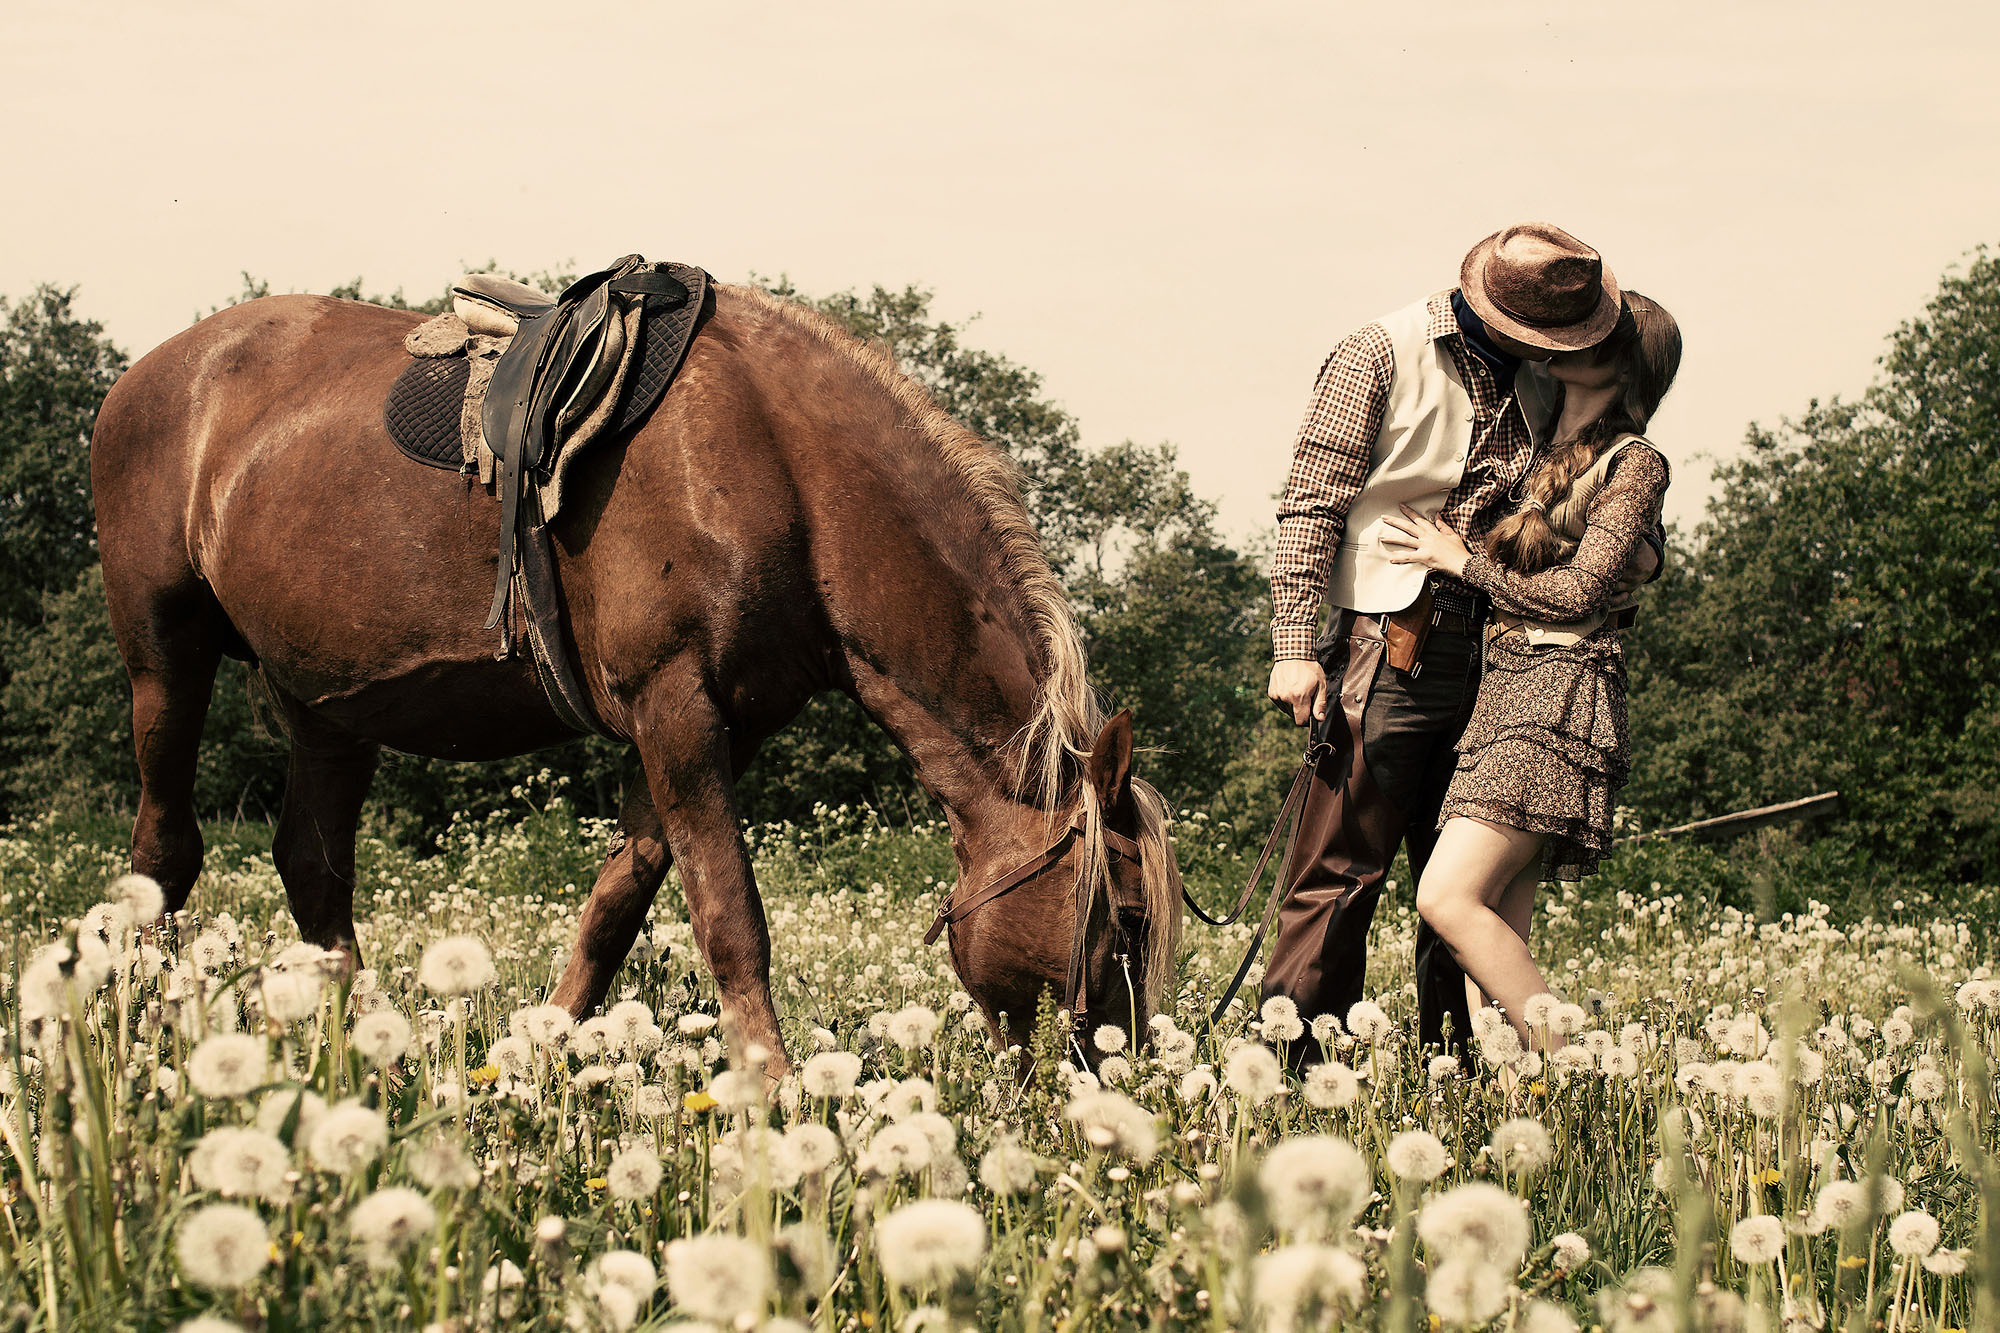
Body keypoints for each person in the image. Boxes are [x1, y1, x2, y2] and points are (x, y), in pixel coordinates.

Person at [1262, 222, 1661, 1062]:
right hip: (1392, 640)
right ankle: (1290, 1069)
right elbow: (1311, 503)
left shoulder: (1548, 383)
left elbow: (1597, 508)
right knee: (1341, 866)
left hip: (1510, 654)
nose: (1558, 352)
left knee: (1457, 886)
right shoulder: (1378, 352)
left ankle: (1457, 1074)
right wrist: (1295, 644)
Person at [1378, 293, 1681, 1048]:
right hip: (1504, 687)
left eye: (1590, 334)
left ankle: (1577, 1066)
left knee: (1446, 898)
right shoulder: (1543, 438)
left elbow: (1580, 591)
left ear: (1622, 359)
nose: (1564, 337)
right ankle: (1534, 1119)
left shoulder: (1636, 461)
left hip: (1558, 691)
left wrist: (1462, 562)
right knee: (1495, 932)